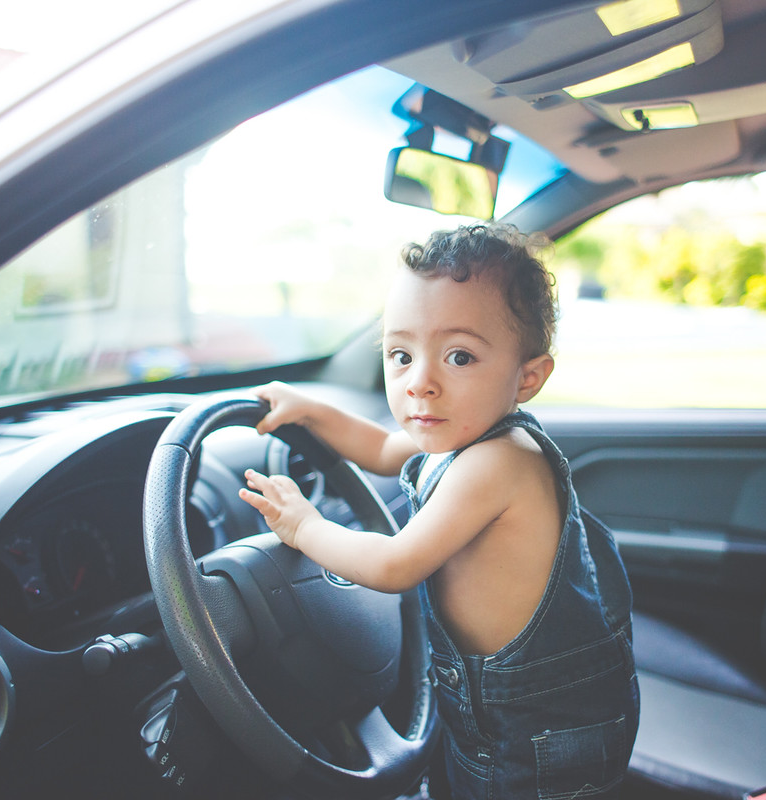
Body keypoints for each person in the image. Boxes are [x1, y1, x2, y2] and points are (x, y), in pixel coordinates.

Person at [239, 223, 639, 799]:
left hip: (534, 733)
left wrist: (303, 526)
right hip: (492, 712)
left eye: (459, 356)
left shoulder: (498, 462)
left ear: (527, 377)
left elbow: (394, 564)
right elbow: (379, 449)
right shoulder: (458, 436)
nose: (420, 383)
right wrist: (312, 410)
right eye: (401, 354)